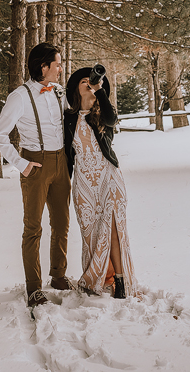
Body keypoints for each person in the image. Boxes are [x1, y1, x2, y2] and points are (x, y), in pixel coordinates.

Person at [0, 42, 79, 309]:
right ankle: (33, 288)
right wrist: (22, 164)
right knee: (33, 229)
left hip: (61, 162)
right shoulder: (19, 97)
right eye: (57, 64)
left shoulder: (58, 92)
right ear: (43, 67)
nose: (61, 68)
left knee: (62, 223)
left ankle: (59, 275)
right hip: (35, 164)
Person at [64, 66, 137, 299]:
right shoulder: (68, 118)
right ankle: (98, 276)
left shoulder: (102, 114)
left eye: (92, 81)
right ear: (76, 88)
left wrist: (100, 91)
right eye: (84, 81)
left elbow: (112, 119)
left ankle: (121, 281)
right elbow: (67, 154)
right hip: (84, 182)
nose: (88, 83)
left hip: (108, 177)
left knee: (113, 227)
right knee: (91, 233)